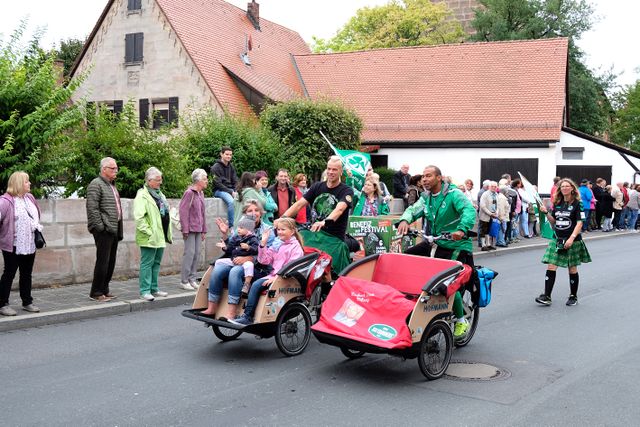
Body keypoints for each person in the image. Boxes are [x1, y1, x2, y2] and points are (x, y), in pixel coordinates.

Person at [396, 165, 476, 339]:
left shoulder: (454, 194)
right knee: (406, 259)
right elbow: (414, 209)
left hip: (457, 245)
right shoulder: (426, 197)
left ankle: (461, 320)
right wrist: (404, 220)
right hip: (436, 242)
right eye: (423, 176)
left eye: (429, 176)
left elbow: (468, 211)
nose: (424, 179)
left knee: (447, 281)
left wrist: (461, 229)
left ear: (439, 178)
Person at [201, 200, 275, 319]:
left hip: (258, 267)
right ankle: (212, 307)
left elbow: (269, 255)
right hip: (238, 261)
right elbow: (231, 248)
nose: (253, 213)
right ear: (245, 214)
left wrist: (250, 258)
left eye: (256, 210)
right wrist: (225, 234)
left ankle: (232, 312)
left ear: (261, 213)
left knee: (235, 271)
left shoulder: (268, 230)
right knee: (218, 269)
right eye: (250, 211)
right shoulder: (241, 228)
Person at [230, 217, 305, 325]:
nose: (279, 232)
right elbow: (264, 260)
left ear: (292, 231)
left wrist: (276, 278)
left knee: (256, 285)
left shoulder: (295, 247)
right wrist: (263, 244)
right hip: (273, 275)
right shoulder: (278, 243)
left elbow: (291, 268)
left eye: (283, 229)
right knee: (244, 276)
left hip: (284, 278)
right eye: (278, 229)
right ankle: (238, 311)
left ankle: (248, 316)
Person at [535, 178, 591, 307]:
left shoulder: (578, 204)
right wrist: (546, 213)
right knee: (551, 266)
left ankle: (573, 296)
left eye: (567, 186)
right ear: (560, 189)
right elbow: (554, 222)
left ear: (572, 188)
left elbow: (580, 223)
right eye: (562, 186)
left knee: (572, 268)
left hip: (573, 240)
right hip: (557, 239)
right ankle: (547, 296)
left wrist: (571, 238)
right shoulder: (557, 203)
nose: (564, 188)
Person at [283, 156, 354, 242]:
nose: (331, 172)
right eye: (329, 169)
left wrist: (324, 222)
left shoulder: (346, 190)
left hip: (334, 239)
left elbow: (339, 209)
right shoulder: (317, 186)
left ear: (341, 172)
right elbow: (299, 204)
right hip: (315, 235)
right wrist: (282, 218)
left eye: (334, 170)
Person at [0, 172, 42, 316]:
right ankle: (2, 304)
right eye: (26, 181)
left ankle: (27, 302)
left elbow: (36, 216)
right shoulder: (5, 201)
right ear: (18, 184)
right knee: (9, 273)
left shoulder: (29, 198)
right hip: (13, 244)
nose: (29, 183)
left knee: (26, 274)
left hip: (29, 243)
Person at [86, 157, 123, 302]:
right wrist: (100, 227)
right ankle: (96, 292)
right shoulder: (96, 184)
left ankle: (104, 289)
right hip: (104, 230)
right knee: (103, 261)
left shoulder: (111, 185)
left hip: (113, 229)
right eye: (113, 168)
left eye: (116, 168)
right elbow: (92, 208)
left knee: (110, 262)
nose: (116, 171)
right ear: (104, 169)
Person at [133, 167, 172, 301]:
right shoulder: (142, 195)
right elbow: (139, 217)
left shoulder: (159, 195)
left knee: (156, 263)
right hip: (149, 236)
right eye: (157, 180)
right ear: (149, 181)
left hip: (160, 235)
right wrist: (149, 232)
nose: (160, 182)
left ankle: (154, 288)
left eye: (160, 179)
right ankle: (145, 291)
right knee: (147, 263)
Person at [213, 215, 259, 296]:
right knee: (218, 262)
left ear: (249, 229)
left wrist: (249, 247)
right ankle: (218, 279)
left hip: (245, 261)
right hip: (233, 260)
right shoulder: (236, 238)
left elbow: (256, 250)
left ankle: (247, 284)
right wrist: (224, 247)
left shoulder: (253, 238)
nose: (238, 229)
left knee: (249, 265)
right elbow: (229, 249)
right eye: (238, 227)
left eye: (241, 228)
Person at [178, 168, 208, 291]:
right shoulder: (189, 193)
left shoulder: (201, 194)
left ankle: (192, 279)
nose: (207, 181)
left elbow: (203, 213)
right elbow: (183, 211)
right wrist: (185, 229)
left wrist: (204, 230)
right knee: (189, 254)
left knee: (196, 254)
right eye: (205, 179)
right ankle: (184, 280)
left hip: (198, 229)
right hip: (190, 229)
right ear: (198, 180)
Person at [210, 146, 238, 227]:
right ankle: (232, 226)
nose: (229, 156)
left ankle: (242, 226)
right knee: (231, 202)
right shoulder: (215, 167)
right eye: (227, 154)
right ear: (221, 154)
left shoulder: (231, 166)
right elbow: (217, 184)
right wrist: (231, 192)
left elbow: (235, 180)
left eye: (230, 155)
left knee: (244, 200)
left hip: (231, 190)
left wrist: (236, 190)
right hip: (219, 191)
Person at [478, 181, 498, 251]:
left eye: (495, 186)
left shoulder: (496, 194)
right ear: (489, 187)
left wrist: (496, 212)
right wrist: (490, 213)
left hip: (492, 215)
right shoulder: (485, 194)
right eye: (492, 186)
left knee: (488, 230)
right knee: (483, 230)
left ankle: (488, 244)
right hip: (485, 215)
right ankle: (483, 245)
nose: (494, 188)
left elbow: (497, 205)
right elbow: (482, 206)